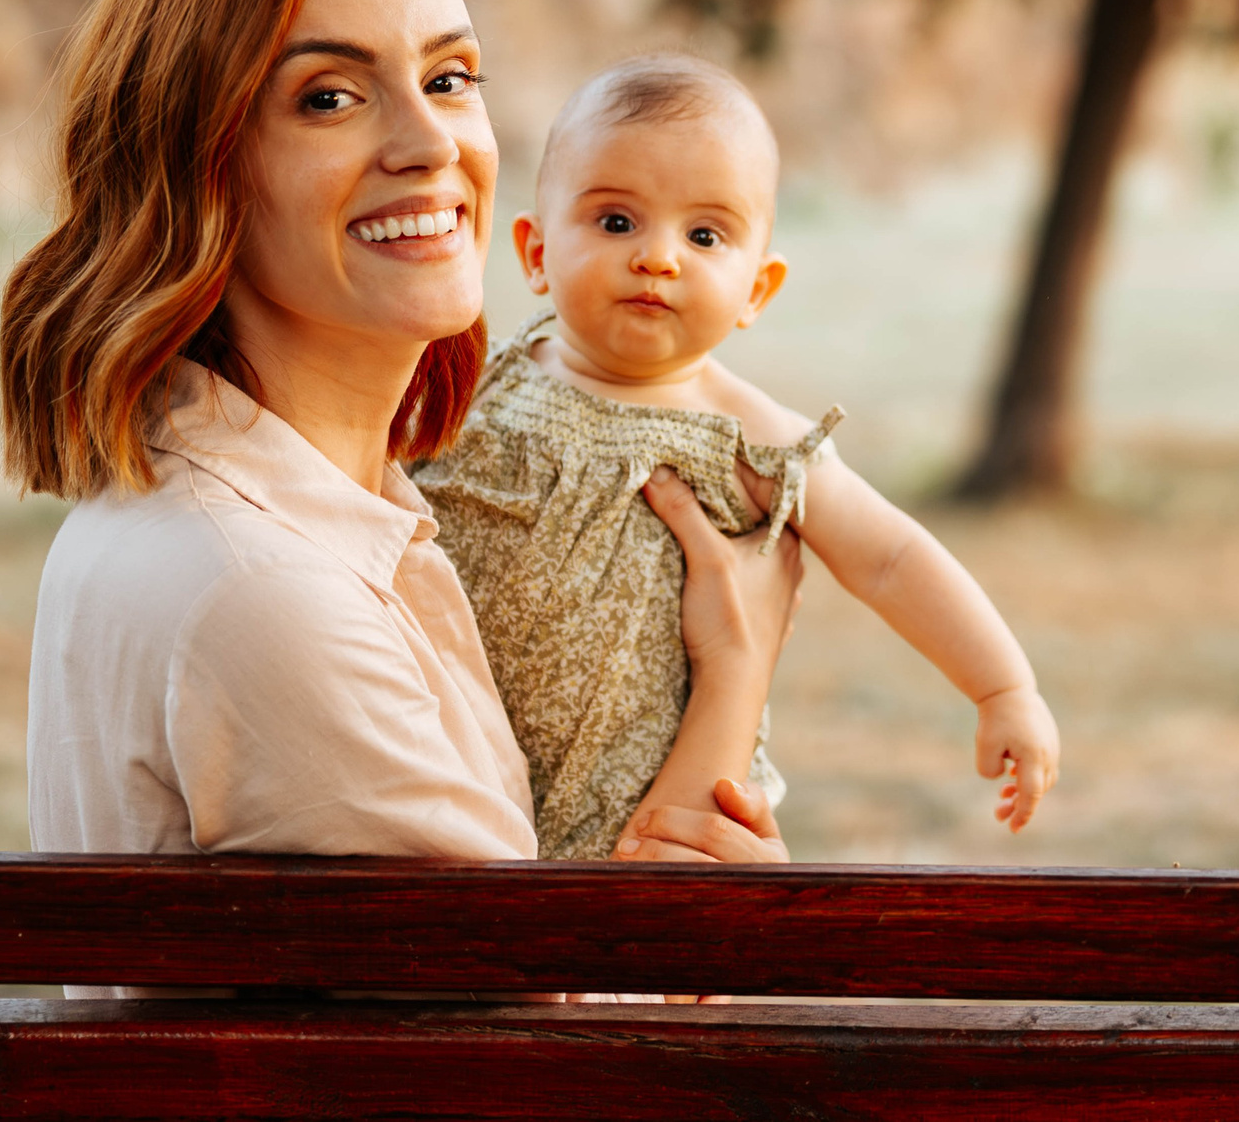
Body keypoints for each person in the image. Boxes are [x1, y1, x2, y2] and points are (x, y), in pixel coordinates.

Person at [2, 0, 802, 934]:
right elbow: (536, 1019)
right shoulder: (265, 590)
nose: (431, 145)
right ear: (198, 165)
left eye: (450, 77)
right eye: (329, 97)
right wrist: (736, 674)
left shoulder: (227, 506)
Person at [415, 54, 1060, 861]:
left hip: (646, 802)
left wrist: (1003, 686)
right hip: (460, 769)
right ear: (536, 250)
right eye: (616, 221)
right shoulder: (481, 382)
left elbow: (892, 557)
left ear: (757, 288)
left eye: (704, 234)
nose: (659, 257)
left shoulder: (751, 439)